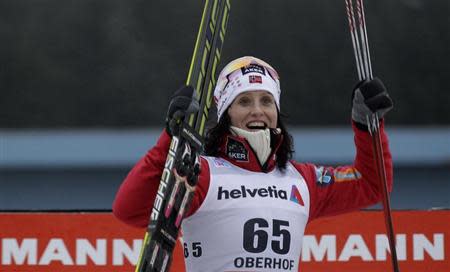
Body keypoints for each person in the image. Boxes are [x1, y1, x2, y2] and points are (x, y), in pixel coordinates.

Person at [113, 56, 393, 271]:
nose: (258, 110)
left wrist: (367, 126)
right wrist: (170, 140)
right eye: (244, 101)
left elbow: (372, 184)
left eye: (266, 101)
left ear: (277, 110)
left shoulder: (302, 179)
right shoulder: (203, 173)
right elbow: (129, 209)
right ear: (226, 114)